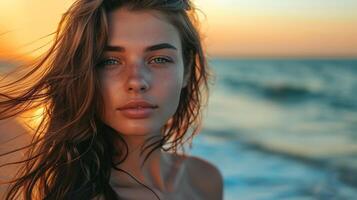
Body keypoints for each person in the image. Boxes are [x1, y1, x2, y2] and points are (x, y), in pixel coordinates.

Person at [0, 0, 223, 199]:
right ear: (84, 74)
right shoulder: (75, 193)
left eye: (159, 59)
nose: (137, 81)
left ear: (186, 71)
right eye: (109, 62)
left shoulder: (206, 180)